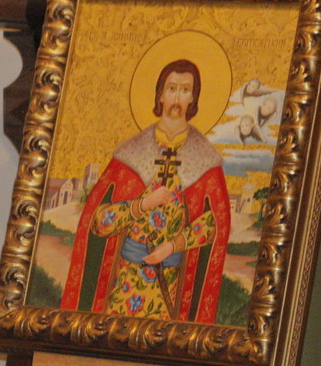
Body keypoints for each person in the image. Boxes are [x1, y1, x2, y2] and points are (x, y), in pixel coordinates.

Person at [61, 58, 231, 323]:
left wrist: (172, 246)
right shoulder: (131, 153)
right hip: (125, 283)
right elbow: (98, 222)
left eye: (185, 90)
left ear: (193, 98)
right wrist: (142, 205)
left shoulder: (205, 158)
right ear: (160, 95)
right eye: (171, 88)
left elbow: (214, 224)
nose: (177, 97)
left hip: (171, 286)